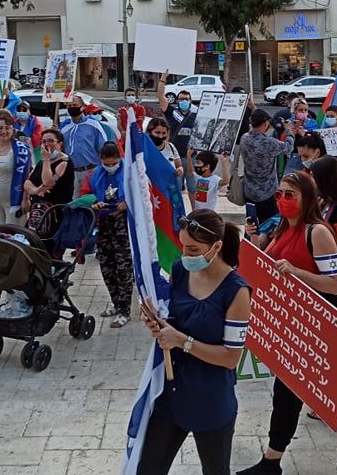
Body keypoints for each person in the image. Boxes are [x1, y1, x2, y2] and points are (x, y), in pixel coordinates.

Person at [239, 171, 337, 475]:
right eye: (279, 194)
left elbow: (334, 286)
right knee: (325, 391)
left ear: (307, 198)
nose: (282, 200)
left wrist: (295, 273)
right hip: (291, 326)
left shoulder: (318, 233)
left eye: (290, 195)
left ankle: (271, 461)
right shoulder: (280, 229)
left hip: (315, 326)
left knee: (291, 393)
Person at [138, 210, 251, 475]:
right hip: (171, 395)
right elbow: (174, 319)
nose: (186, 254)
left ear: (217, 247)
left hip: (210, 401)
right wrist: (158, 323)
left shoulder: (237, 292)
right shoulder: (179, 269)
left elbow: (231, 357)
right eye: (183, 247)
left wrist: (182, 341)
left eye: (193, 249)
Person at [79, 142, 132, 328]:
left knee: (124, 269)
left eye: (114, 163)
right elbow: (84, 195)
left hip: (123, 226)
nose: (110, 167)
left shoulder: (130, 173)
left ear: (120, 158)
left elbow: (143, 195)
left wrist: (128, 203)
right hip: (104, 224)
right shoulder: (95, 175)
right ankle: (116, 303)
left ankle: (125, 310)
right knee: (107, 267)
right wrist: (93, 203)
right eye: (107, 164)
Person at [239, 109, 294, 224]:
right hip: (267, 192)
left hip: (249, 190)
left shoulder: (244, 138)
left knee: (252, 223)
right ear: (265, 124)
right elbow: (288, 148)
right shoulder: (268, 142)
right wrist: (289, 132)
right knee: (269, 225)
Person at [157, 71, 198, 208]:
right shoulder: (172, 112)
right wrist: (163, 79)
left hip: (191, 158)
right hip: (175, 158)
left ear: (190, 101)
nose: (184, 101)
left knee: (193, 189)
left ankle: (194, 212)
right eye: (181, 99)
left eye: (186, 99)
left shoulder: (196, 115)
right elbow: (160, 96)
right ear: (177, 100)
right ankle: (178, 212)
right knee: (175, 189)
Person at [59, 94, 107, 197]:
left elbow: (103, 148)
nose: (72, 108)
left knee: (92, 201)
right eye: (69, 106)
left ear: (82, 107)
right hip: (71, 172)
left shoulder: (93, 124)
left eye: (75, 105)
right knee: (75, 203)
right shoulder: (64, 126)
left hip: (91, 170)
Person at [23, 129, 74, 207]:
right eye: (44, 141)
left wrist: (46, 159)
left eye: (50, 141)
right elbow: (28, 183)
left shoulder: (64, 162)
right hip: (39, 207)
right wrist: (36, 190)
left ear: (60, 144)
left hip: (56, 208)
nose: (47, 144)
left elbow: (48, 182)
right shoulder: (42, 161)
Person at [282, 99, 318, 175]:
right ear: (294, 111)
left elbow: (317, 140)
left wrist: (305, 134)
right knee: (290, 180)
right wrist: (289, 132)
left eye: (306, 110)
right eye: (300, 110)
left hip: (310, 156)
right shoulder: (288, 122)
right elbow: (283, 142)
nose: (304, 112)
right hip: (294, 156)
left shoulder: (312, 122)